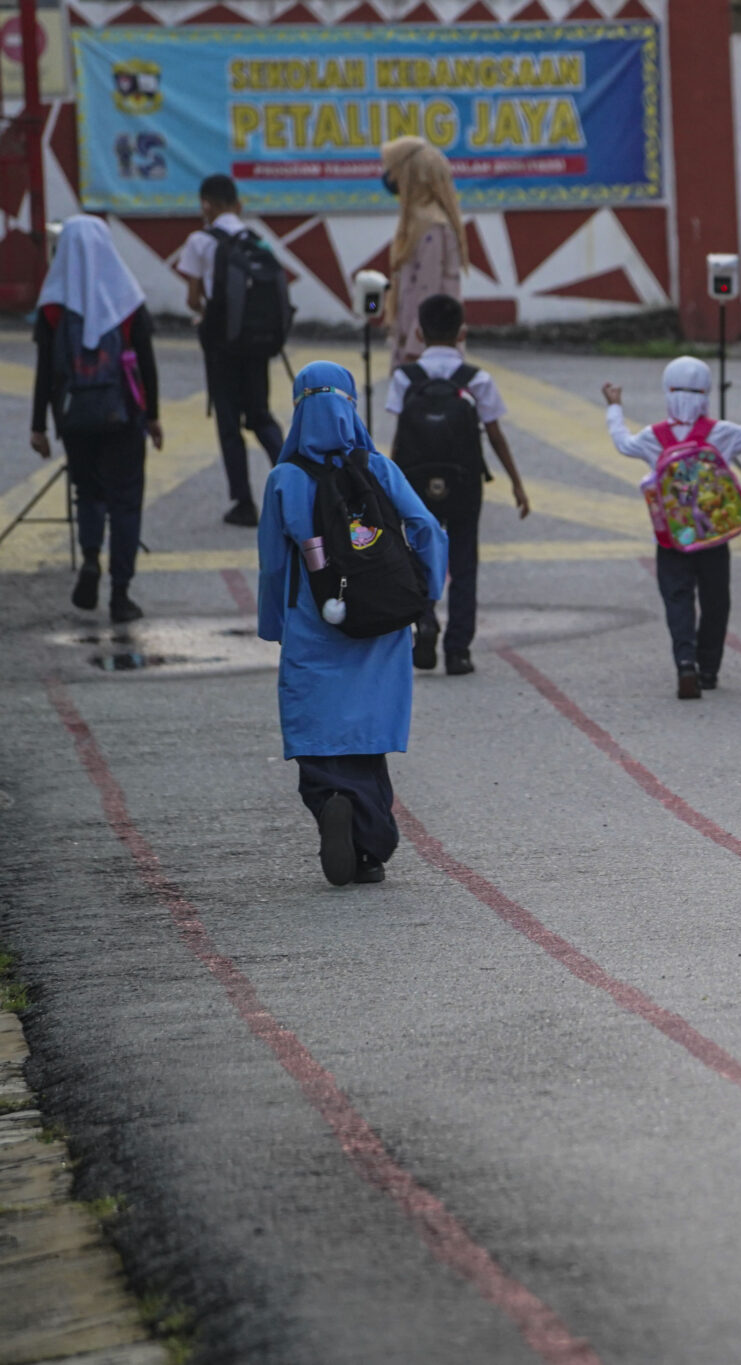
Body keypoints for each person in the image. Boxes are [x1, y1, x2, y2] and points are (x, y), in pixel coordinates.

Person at [257, 362, 448, 887]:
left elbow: (273, 565)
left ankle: (330, 800)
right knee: (366, 735)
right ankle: (371, 844)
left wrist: (274, 625)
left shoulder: (284, 479)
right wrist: (424, 592)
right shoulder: (378, 468)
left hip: (314, 623)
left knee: (318, 732)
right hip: (381, 623)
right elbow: (426, 527)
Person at [603, 357, 741, 698]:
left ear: (667, 391)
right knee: (715, 601)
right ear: (706, 393)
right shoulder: (721, 432)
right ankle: (708, 670)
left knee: (677, 599)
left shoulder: (653, 437)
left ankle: (685, 663)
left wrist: (615, 407)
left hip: (671, 540)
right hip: (714, 534)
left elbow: (622, 442)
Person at [385, 293, 530, 677]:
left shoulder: (404, 378)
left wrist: (387, 488)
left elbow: (399, 440)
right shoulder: (477, 379)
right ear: (462, 333)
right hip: (464, 482)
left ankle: (425, 621)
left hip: (415, 483)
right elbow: (496, 436)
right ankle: (458, 651)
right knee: (464, 562)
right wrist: (516, 484)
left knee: (418, 555)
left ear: (418, 331)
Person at [30, 216, 163, 623]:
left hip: (74, 417)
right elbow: (146, 363)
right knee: (125, 501)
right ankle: (120, 595)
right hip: (123, 414)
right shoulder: (126, 301)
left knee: (88, 491)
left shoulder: (52, 306)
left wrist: (38, 424)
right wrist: (153, 417)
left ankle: (90, 558)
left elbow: (45, 371)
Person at [174, 173, 285, 527]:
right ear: (237, 204)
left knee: (228, 423)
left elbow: (193, 299)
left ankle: (244, 503)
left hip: (222, 347)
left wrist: (206, 313)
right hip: (256, 343)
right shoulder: (256, 239)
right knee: (261, 416)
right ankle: (299, 489)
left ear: (207, 203)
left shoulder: (199, 241)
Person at [380, 137, 465, 370]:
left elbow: (430, 292)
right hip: (417, 339)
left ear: (410, 175)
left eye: (392, 170)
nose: (388, 176)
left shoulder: (431, 227)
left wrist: (415, 348)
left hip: (427, 348)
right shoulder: (416, 222)